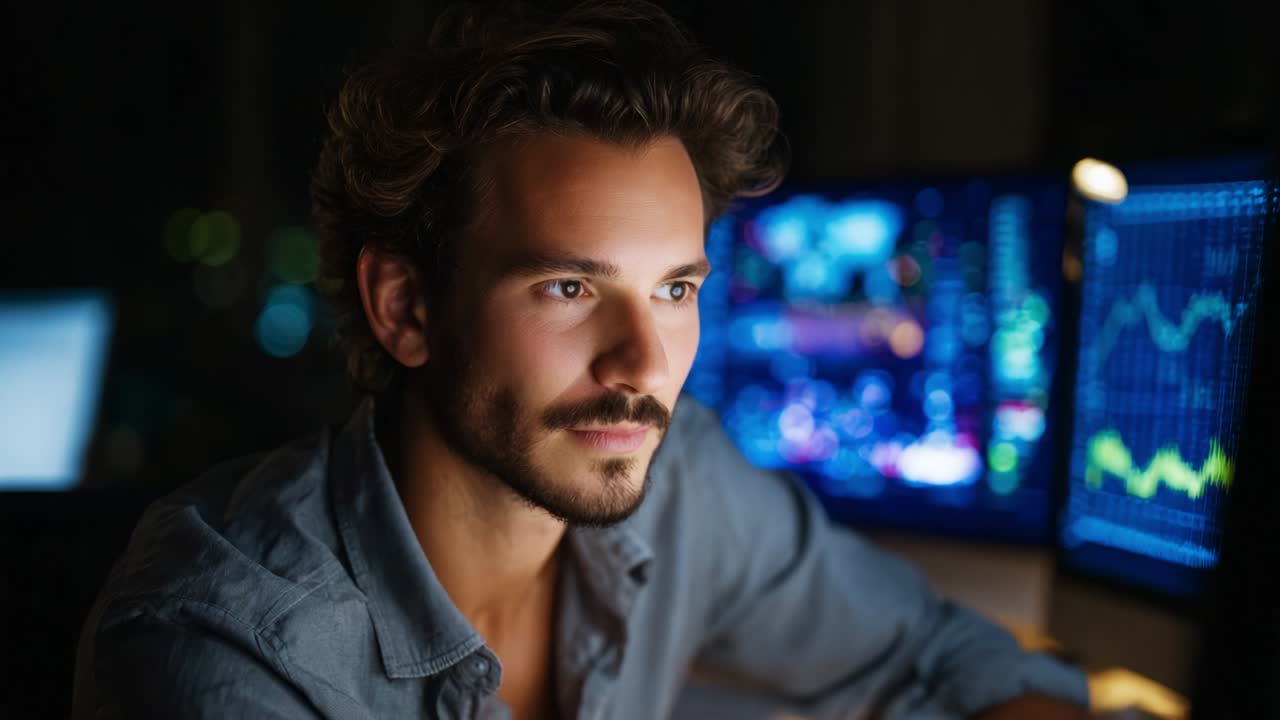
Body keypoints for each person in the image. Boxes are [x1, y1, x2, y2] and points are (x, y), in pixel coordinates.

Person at [72, 2, 1090, 718]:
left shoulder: (677, 476)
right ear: (405, 307)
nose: (643, 365)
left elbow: (938, 660)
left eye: (674, 291)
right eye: (568, 288)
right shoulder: (224, 649)